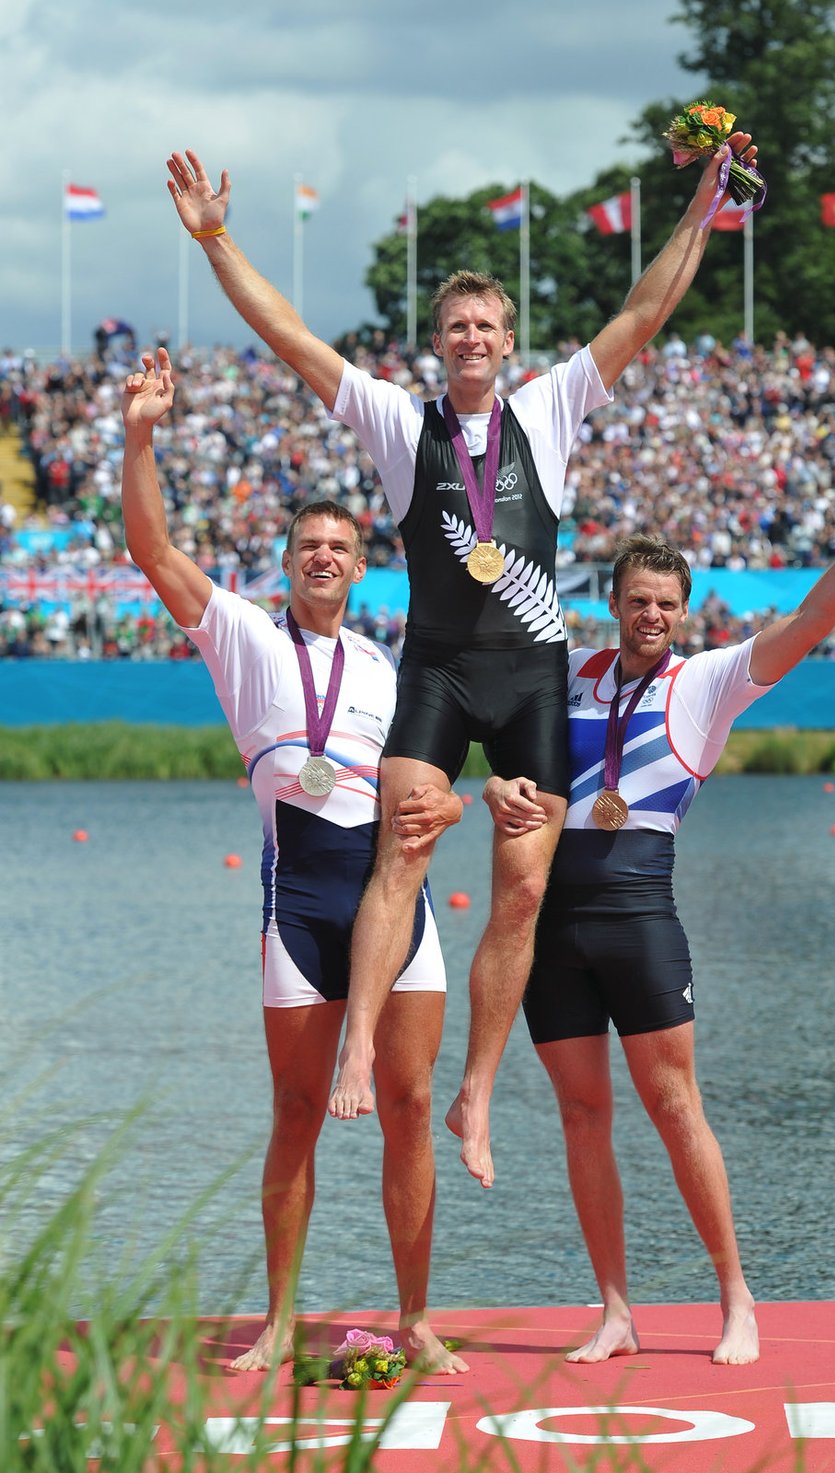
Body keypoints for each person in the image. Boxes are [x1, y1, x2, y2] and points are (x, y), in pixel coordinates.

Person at [163, 133, 759, 1190]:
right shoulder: (401, 422)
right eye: (455, 327)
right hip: (438, 667)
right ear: (436, 344)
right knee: (403, 847)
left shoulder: (549, 408)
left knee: (523, 893)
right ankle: (356, 1043)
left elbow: (645, 312)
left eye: (487, 324)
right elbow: (294, 340)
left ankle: (476, 1096)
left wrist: (706, 207)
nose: (472, 336)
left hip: (530, 672)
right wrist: (216, 242)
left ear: (509, 338)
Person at [483, 436, 835, 1365]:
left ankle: (736, 1296)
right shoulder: (566, 676)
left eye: (666, 604)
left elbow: (811, 618)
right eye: (637, 600)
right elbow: (504, 755)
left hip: (641, 917)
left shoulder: (708, 682)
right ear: (613, 604)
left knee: (675, 1105)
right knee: (580, 1117)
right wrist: (495, 786)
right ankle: (614, 1310)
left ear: (685, 615)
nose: (651, 614)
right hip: (553, 924)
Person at [120, 347, 468, 1376]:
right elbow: (151, 547)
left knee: (409, 1111)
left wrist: (447, 802)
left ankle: (413, 1319)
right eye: (308, 545)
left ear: (361, 568)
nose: (323, 557)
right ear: (286, 563)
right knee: (295, 1119)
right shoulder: (240, 638)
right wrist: (141, 435)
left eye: (339, 547)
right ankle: (278, 1321)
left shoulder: (386, 665)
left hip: (396, 912)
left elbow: (431, 784)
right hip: (301, 911)